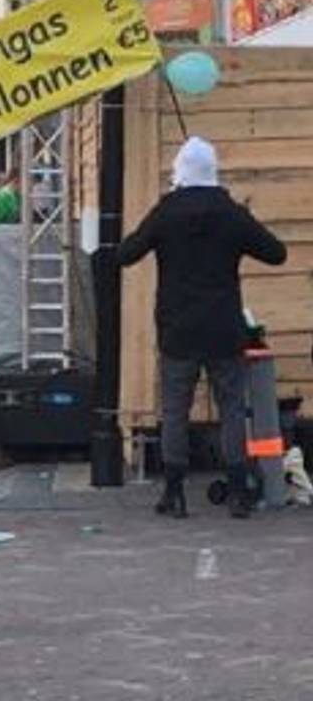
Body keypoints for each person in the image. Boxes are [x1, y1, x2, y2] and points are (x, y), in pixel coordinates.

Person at [118, 137, 287, 520]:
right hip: (224, 328)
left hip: (177, 329)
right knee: (231, 408)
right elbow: (276, 254)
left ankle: (174, 492)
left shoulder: (167, 211)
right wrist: (241, 222)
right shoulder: (230, 213)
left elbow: (128, 254)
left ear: (179, 171)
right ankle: (238, 492)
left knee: (175, 410)